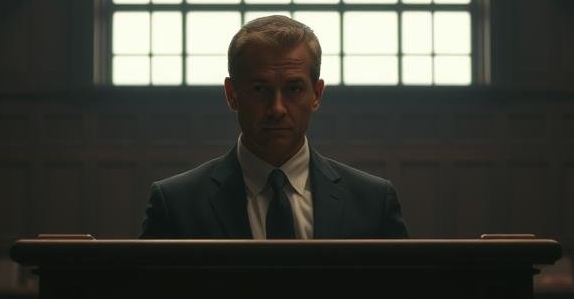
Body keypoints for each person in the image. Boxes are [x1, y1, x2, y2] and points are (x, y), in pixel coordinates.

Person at [140, 15, 408, 239]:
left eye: (293, 89)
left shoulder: (373, 202)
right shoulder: (176, 204)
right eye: (260, 89)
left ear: (317, 94)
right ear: (232, 94)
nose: (277, 108)